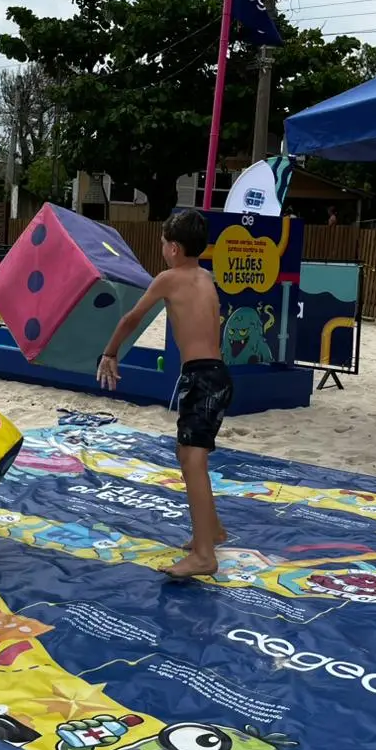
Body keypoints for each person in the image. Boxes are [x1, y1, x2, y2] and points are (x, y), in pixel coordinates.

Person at [96, 209, 233, 579]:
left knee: (193, 461)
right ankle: (214, 531)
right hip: (215, 376)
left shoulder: (169, 278)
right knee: (187, 453)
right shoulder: (206, 277)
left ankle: (205, 555)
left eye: (161, 243)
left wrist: (109, 352)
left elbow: (131, 318)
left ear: (173, 248)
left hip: (202, 378)